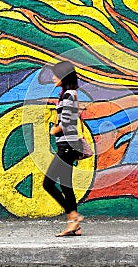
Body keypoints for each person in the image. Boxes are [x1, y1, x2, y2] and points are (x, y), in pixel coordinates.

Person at [43, 61, 84, 237]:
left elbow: (66, 124)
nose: (53, 77)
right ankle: (74, 227)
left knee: (48, 184)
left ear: (64, 77)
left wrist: (54, 130)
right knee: (66, 186)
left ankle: (73, 217)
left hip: (66, 146)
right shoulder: (70, 94)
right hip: (68, 145)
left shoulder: (68, 95)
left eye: (56, 75)